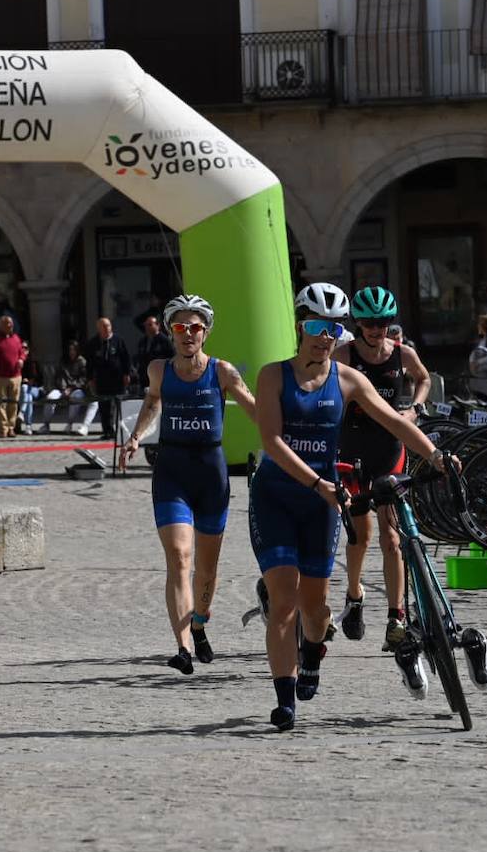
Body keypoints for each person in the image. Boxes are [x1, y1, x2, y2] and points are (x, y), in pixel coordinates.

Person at [248, 283, 453, 731]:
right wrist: (319, 481)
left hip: (322, 503)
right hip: (277, 496)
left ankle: (314, 650)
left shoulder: (348, 380)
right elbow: (272, 441)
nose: (327, 336)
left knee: (315, 609)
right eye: (319, 326)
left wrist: (434, 455)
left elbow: (395, 421)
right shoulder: (272, 375)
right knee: (283, 600)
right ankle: (285, 700)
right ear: (301, 325)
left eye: (334, 329)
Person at [119, 295, 257, 675]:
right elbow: (152, 402)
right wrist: (134, 437)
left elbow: (255, 410)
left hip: (211, 474)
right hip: (172, 471)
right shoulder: (159, 370)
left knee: (207, 570)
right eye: (180, 327)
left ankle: (198, 625)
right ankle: (181, 648)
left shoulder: (222, 371)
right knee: (179, 558)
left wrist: (284, 434)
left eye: (195, 327)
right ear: (170, 331)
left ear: (206, 332)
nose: (188, 334)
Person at [333, 286, 431, 651]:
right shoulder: (344, 354)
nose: (376, 330)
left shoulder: (402, 353)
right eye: (369, 324)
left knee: (393, 537)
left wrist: (415, 409)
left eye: (383, 323)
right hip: (352, 451)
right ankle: (355, 595)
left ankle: (396, 616)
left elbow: (424, 379)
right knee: (361, 535)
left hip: (389, 449)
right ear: (357, 324)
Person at [83, 317, 132, 439]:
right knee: (104, 407)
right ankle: (107, 431)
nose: (107, 328)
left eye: (108, 326)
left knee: (118, 407)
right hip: (102, 380)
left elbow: (126, 359)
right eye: (104, 326)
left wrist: (127, 374)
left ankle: (121, 431)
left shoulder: (118, 340)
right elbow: (90, 363)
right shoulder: (93, 343)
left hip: (117, 379)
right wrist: (90, 379)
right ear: (99, 329)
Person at [38, 340, 98, 434]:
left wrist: (71, 388)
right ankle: (46, 425)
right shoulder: (63, 361)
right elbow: (59, 376)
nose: (72, 352)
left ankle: (70, 423)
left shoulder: (82, 362)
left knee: (76, 397)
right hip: (62, 388)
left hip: (76, 389)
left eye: (74, 350)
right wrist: (63, 388)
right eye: (70, 350)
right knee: (50, 398)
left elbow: (82, 380)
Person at [134, 315, 174, 392]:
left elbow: (172, 358)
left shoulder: (164, 341)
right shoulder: (143, 341)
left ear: (157, 325)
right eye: (146, 325)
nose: (147, 328)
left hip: (159, 377)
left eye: (150, 325)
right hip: (145, 377)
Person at [18, 346, 45, 433]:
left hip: (35, 389)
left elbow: (38, 380)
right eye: (22, 348)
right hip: (23, 391)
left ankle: (22, 412)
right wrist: (23, 380)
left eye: (26, 348)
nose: (24, 351)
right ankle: (28, 426)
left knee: (26, 389)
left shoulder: (33, 362)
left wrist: (29, 381)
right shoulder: (18, 363)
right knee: (28, 397)